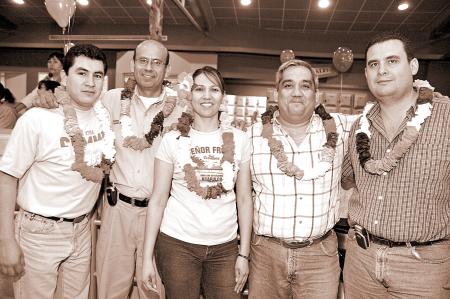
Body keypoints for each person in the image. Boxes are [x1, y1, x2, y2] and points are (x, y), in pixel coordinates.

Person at [32, 39, 184, 299]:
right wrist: (52, 97)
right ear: (133, 64)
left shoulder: (181, 110)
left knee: (155, 290)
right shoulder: (109, 100)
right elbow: (76, 101)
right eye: (143, 60)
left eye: (157, 62)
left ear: (166, 68)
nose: (149, 68)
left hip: (163, 216)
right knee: (110, 289)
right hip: (117, 211)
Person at [341, 31, 450, 298]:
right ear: (366, 74)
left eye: (392, 61)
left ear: (413, 66)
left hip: (424, 266)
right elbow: (347, 178)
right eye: (373, 64)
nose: (382, 71)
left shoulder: (446, 118)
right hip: (361, 261)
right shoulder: (359, 127)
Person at [0, 44, 113, 299]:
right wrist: (5, 240)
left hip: (82, 229)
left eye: (97, 75)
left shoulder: (104, 116)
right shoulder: (38, 119)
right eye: (81, 73)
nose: (90, 82)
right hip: (39, 232)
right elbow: (7, 178)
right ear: (64, 77)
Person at [247, 59, 356, 298]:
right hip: (266, 255)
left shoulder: (341, 129)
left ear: (317, 96)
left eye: (305, 86)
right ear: (276, 93)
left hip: (320, 256)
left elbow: (379, 115)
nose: (297, 93)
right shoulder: (252, 136)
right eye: (288, 85)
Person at [141, 66, 253, 298]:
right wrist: (146, 259)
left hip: (225, 247)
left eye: (214, 89)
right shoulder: (172, 140)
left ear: (222, 96)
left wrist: (244, 254)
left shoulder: (240, 140)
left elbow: (244, 199)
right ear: (189, 95)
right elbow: (158, 200)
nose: (207, 96)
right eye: (199, 89)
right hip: (177, 245)